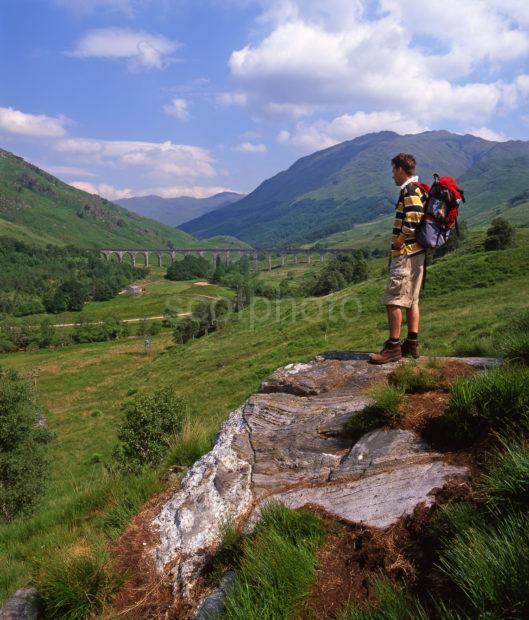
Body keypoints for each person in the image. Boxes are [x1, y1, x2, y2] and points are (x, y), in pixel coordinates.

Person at [369, 153, 426, 364]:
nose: (392, 175)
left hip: (405, 253)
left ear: (401, 169)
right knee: (412, 299)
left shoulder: (410, 190)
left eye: (393, 170)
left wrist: (399, 241)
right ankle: (412, 343)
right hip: (417, 252)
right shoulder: (418, 188)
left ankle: (393, 347)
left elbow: (414, 218)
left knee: (393, 300)